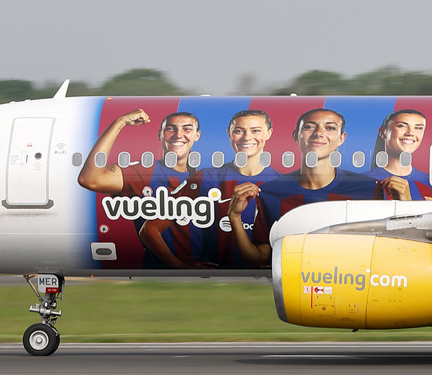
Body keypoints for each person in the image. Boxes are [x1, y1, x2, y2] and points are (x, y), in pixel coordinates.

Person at [238, 108, 381, 265]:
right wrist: (234, 217)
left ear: (341, 138)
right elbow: (260, 258)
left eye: (330, 128)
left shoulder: (367, 190)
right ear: (296, 136)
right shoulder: (271, 192)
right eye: (309, 127)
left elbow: (381, 253)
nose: (319, 133)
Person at [78, 109, 211, 268]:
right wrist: (120, 122)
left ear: (197, 135)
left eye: (187, 129)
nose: (178, 134)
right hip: (162, 274)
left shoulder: (199, 178)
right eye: (170, 128)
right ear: (160, 135)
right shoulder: (147, 173)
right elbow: (90, 179)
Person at [207, 108, 280, 269]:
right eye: (239, 131)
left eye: (255, 130)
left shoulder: (281, 185)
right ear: (229, 134)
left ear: (269, 133)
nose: (247, 137)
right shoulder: (207, 178)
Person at [367, 108, 432, 201]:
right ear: (382, 132)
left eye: (418, 128)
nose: (410, 133)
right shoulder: (364, 181)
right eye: (402, 126)